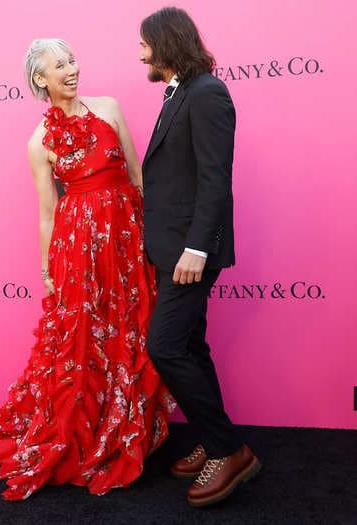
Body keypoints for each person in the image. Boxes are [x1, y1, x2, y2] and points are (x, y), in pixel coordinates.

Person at [0, 38, 175, 501]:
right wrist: (46, 268)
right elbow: (47, 210)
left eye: (73, 60)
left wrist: (153, 239)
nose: (72, 70)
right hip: (78, 249)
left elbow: (138, 177)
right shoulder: (39, 141)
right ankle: (87, 429)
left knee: (131, 330)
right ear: (41, 78)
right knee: (83, 339)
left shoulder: (110, 108)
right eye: (59, 66)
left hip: (126, 237)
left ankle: (132, 422)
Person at [138, 7, 261, 507]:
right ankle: (215, 440)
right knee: (191, 346)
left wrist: (195, 246)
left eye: (145, 43)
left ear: (167, 44)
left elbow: (216, 179)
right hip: (172, 247)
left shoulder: (207, 93)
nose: (141, 52)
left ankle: (230, 450)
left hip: (190, 250)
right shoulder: (179, 93)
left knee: (165, 347)